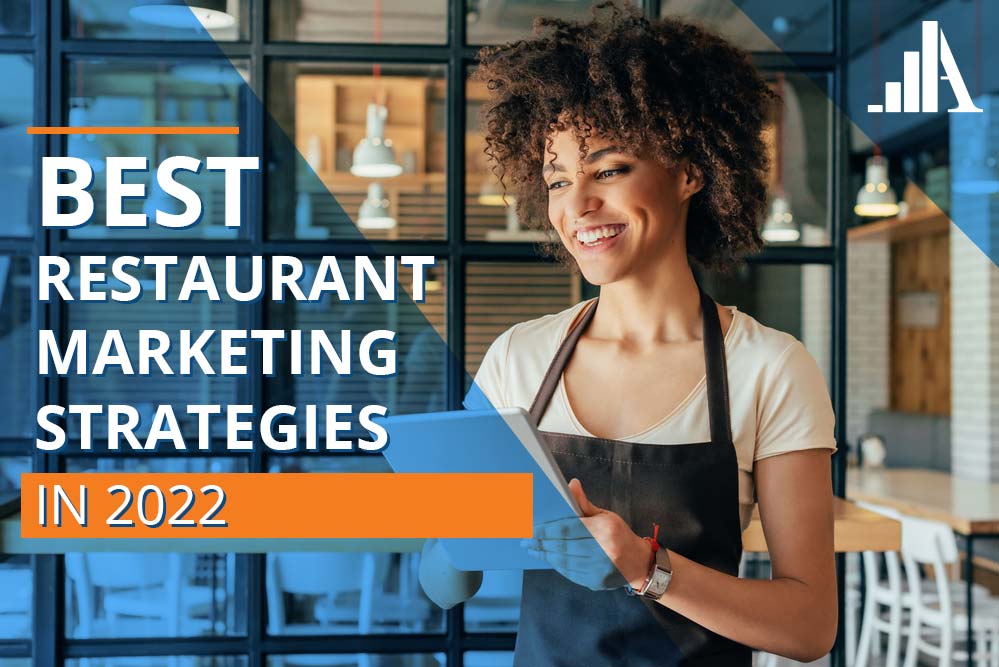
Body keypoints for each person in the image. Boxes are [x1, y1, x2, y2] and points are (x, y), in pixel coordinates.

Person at [419, 3, 838, 664]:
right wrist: (454, 538)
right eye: (558, 179)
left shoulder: (769, 368)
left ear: (689, 170)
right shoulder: (519, 358)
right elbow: (441, 585)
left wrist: (649, 565)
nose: (577, 204)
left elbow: (808, 626)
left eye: (607, 170)